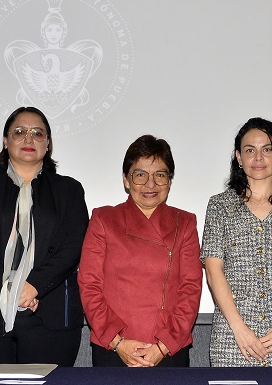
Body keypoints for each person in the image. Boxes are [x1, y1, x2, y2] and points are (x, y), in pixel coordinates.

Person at [0, 106, 88, 367]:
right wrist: (8, 289)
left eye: (38, 133)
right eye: (19, 132)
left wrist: (33, 286)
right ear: (5, 141)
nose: (29, 139)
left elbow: (73, 245)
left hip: (48, 317)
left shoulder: (69, 190)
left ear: (48, 144)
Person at [201, 118, 272, 367]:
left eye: (267, 149)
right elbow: (213, 271)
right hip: (233, 338)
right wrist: (239, 328)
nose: (258, 157)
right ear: (239, 158)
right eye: (249, 150)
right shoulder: (219, 206)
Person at [78, 135, 202, 367]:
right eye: (140, 174)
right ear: (126, 180)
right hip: (113, 347)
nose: (150, 184)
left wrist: (163, 346)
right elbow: (89, 285)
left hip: (168, 349)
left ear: (169, 181)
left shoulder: (184, 222)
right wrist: (118, 343)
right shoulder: (104, 219)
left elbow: (191, 288)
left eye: (160, 175)